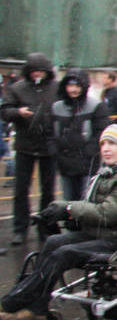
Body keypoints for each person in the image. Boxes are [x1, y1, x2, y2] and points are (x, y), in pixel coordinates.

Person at [0, 125, 117, 320]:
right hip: (102, 234)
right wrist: (58, 211)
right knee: (54, 242)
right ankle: (36, 310)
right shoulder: (110, 171)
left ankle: (13, 303)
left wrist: (68, 208)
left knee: (64, 253)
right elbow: (93, 209)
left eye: (113, 144)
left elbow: (107, 213)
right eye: (103, 143)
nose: (106, 148)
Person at [0, 52, 58, 246]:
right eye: (34, 71)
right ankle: (20, 229)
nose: (37, 75)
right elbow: (5, 111)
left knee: (48, 190)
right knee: (20, 189)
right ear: (28, 72)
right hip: (25, 145)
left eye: (40, 71)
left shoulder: (55, 88)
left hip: (48, 145)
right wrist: (18, 112)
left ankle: (46, 227)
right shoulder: (17, 88)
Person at [50, 68, 111, 200]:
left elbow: (100, 132)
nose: (74, 90)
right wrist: (56, 150)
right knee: (68, 199)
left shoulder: (96, 106)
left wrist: (90, 152)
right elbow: (51, 132)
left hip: (87, 162)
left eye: (77, 86)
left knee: (87, 199)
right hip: (65, 162)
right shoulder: (57, 108)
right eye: (70, 85)